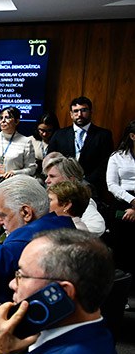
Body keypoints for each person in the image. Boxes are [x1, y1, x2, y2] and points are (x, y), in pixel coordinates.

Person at [47, 96, 114, 196]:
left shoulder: (104, 135)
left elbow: (105, 162)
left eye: (84, 110)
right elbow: (51, 158)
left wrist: (86, 182)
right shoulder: (59, 134)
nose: (79, 114)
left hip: (92, 187)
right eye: (76, 111)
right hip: (62, 185)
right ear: (71, 114)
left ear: (90, 112)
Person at [43, 155, 106, 235]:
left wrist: (68, 236)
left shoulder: (82, 202)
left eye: (52, 176)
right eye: (47, 176)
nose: (46, 181)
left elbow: (98, 227)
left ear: (70, 179)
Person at [105, 120, 135, 273]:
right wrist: (132, 201)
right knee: (120, 245)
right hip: (122, 201)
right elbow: (111, 184)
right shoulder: (117, 156)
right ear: (132, 136)